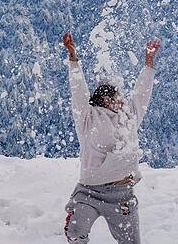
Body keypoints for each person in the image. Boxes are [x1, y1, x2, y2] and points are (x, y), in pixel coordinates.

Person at [61, 33, 161, 244]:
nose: (123, 99)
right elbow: (78, 90)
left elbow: (141, 94)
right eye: (118, 96)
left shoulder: (129, 116)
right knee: (76, 231)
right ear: (106, 100)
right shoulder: (87, 117)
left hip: (122, 195)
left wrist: (149, 64)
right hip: (89, 191)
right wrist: (73, 58)